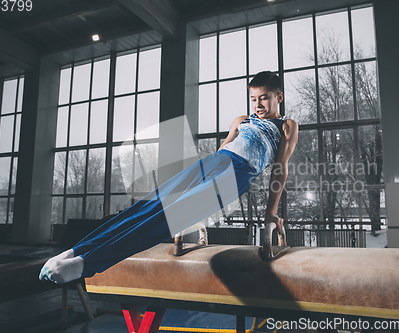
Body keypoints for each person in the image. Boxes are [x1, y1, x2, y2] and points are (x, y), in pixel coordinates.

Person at [39, 71, 298, 284]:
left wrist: (271, 211)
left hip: (239, 174)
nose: (258, 105)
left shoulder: (287, 126)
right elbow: (222, 150)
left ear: (279, 97)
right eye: (254, 99)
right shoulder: (241, 120)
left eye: (264, 99)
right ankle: (75, 251)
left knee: (166, 219)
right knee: (148, 206)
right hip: (212, 163)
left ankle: (86, 264)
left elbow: (280, 168)